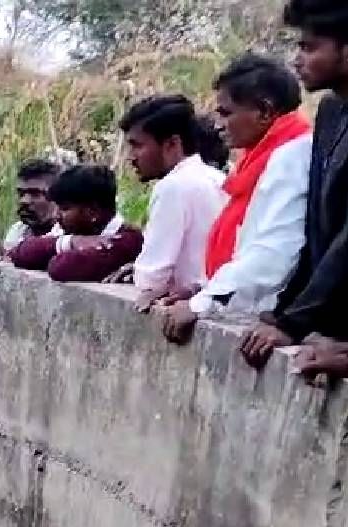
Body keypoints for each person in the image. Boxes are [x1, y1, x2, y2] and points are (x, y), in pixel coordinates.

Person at [162, 54, 312, 344]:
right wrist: (203, 289)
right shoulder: (260, 159)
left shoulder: (291, 156)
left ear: (264, 112)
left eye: (226, 113)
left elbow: (274, 250)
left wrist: (202, 303)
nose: (219, 124)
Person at [240, 0, 348, 368]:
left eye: (310, 47)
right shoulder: (331, 114)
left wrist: (294, 322)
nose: (297, 60)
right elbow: (318, 232)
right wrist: (287, 313)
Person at [119, 95, 228, 311]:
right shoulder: (218, 179)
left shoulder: (173, 187)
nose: (131, 157)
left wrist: (139, 272)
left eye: (137, 146)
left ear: (172, 144)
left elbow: (151, 278)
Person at [9, 165, 145, 282]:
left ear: (93, 212)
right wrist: (70, 242)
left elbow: (60, 267)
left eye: (64, 208)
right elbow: (20, 252)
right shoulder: (74, 231)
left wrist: (54, 250)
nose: (56, 216)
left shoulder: (127, 240)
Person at [2, 159, 64, 253]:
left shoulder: (66, 238)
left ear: (56, 197)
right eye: (21, 193)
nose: (24, 201)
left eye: (35, 193)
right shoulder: (18, 230)